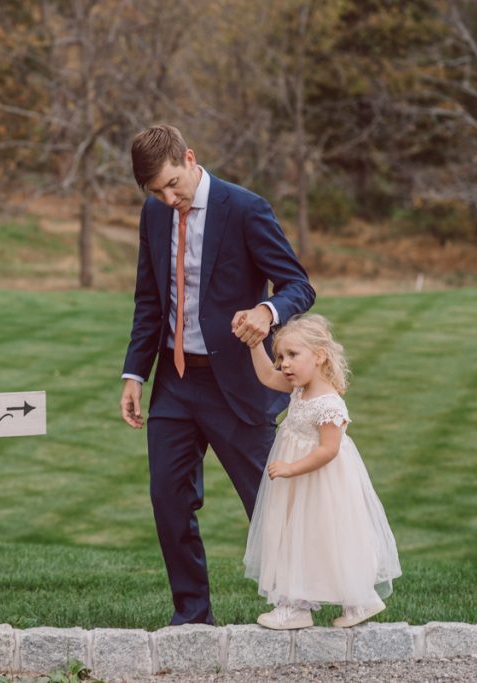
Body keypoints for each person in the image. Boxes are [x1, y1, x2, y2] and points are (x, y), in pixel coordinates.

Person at [120, 124, 315, 625]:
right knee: (167, 497)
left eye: (172, 184)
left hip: (238, 384)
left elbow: (297, 284)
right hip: (175, 382)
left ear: (190, 158)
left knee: (267, 499)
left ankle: (293, 602)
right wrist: (134, 375)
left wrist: (266, 313)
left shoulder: (246, 209)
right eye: (156, 192)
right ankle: (191, 616)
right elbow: (149, 299)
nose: (168, 198)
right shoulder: (155, 213)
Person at [241, 313, 401, 629]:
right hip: (299, 480)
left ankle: (357, 600)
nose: (284, 364)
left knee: (324, 537)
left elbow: (328, 450)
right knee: (294, 535)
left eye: (292, 356)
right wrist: (254, 344)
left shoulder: (329, 404)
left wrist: (291, 468)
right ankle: (297, 605)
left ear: (319, 356)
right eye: (280, 356)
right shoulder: (299, 388)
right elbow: (265, 377)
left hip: (320, 481)